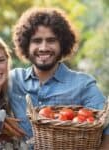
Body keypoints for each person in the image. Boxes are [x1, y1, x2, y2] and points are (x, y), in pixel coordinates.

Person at [8, 7, 109, 149]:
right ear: (26, 45)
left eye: (51, 40)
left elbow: (107, 125)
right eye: (37, 41)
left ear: (62, 44)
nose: (43, 47)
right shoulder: (13, 80)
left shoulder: (82, 85)